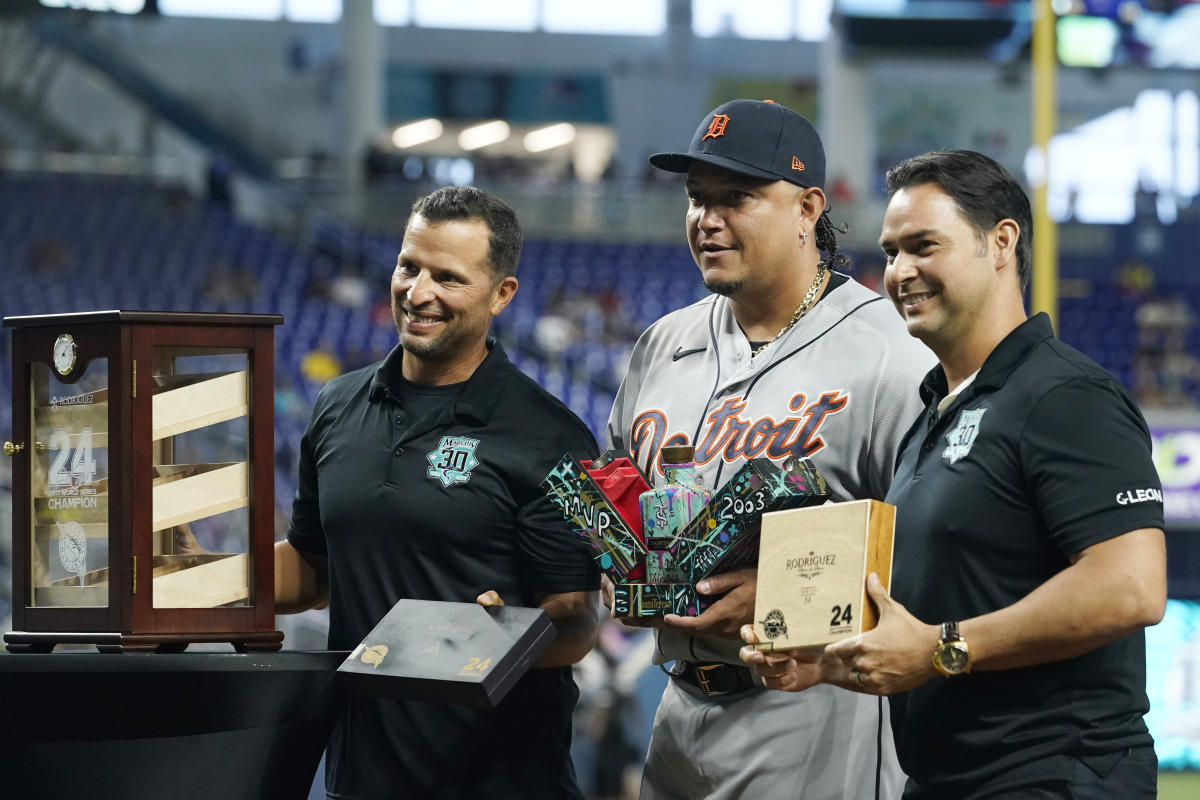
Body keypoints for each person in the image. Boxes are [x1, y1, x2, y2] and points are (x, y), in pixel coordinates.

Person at [741, 150, 1167, 799]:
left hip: (1054, 776)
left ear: (1001, 243)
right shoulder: (934, 412)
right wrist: (827, 663)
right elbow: (930, 623)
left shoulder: (1065, 395)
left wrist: (944, 647)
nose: (899, 272)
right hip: (946, 781)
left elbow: (1131, 588)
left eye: (923, 246)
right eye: (889, 252)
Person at [607, 99, 932, 800]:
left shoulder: (890, 353)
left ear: (808, 208)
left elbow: (941, 546)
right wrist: (617, 566)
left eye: (738, 197)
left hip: (817, 708)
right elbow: (622, 499)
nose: (707, 219)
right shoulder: (662, 344)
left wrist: (792, 591)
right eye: (697, 198)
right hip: (676, 705)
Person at [275, 186, 603, 799]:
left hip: (501, 783)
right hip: (362, 778)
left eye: (448, 278)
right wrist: (199, 578)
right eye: (409, 266)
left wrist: (505, 636)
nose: (418, 293)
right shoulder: (336, 407)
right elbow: (313, 570)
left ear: (501, 294)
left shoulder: (553, 436)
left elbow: (579, 619)